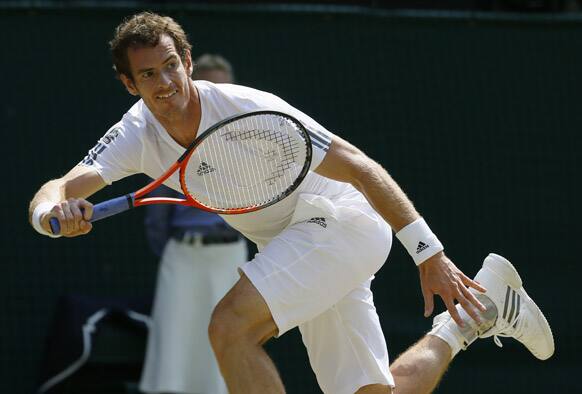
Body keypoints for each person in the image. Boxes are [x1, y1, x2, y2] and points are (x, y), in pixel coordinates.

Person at [29, 12, 554, 394]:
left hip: (340, 222)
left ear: (187, 61)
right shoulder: (135, 133)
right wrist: (54, 215)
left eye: (171, 66)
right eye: (148, 75)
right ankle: (471, 318)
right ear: (129, 83)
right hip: (293, 244)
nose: (166, 84)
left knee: (230, 327)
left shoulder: (249, 109)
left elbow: (359, 166)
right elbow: (60, 187)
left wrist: (429, 254)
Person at [140, 54, 246, 394]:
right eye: (209, 87)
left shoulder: (251, 140)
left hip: (230, 257)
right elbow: (156, 218)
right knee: (172, 348)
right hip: (182, 255)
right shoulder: (169, 139)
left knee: (228, 346)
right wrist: (180, 246)